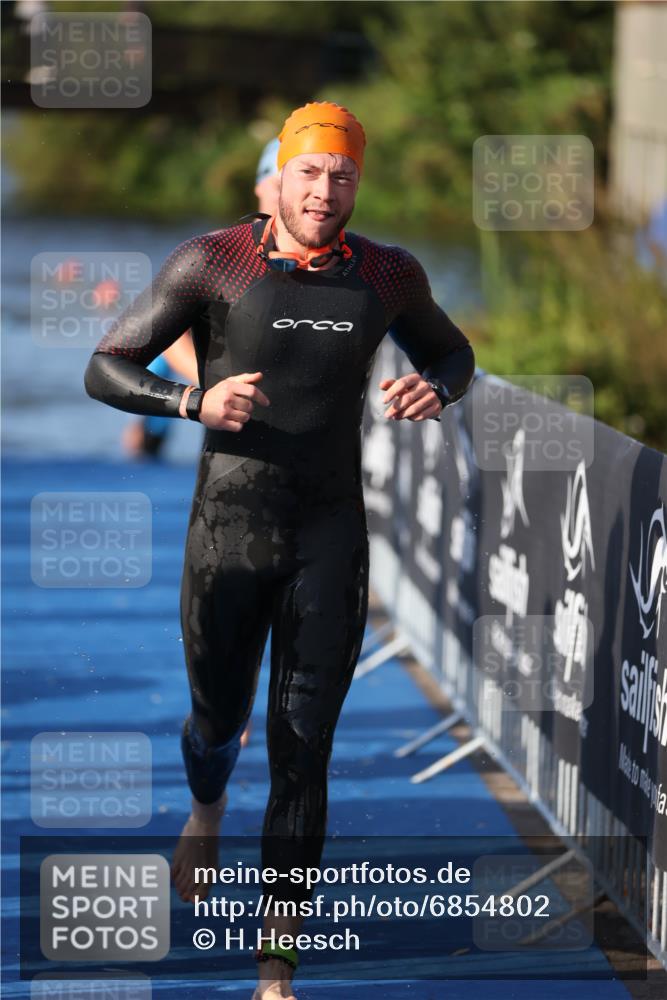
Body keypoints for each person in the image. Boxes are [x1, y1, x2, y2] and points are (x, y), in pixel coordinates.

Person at [84, 101, 475, 1000]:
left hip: (328, 534)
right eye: (308, 173)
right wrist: (193, 405)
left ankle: (275, 969)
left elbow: (453, 354)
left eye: (340, 176)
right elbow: (106, 365)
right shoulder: (212, 261)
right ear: (280, 179)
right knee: (217, 724)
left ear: (355, 183)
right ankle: (206, 812)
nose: (323, 190)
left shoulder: (386, 274)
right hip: (227, 532)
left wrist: (437, 390)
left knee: (304, 748)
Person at [123, 136, 282, 458]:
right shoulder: (217, 252)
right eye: (280, 186)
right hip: (193, 381)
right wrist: (209, 387)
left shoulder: (326, 258)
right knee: (147, 445)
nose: (287, 199)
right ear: (259, 187)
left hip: (263, 402)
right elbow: (165, 341)